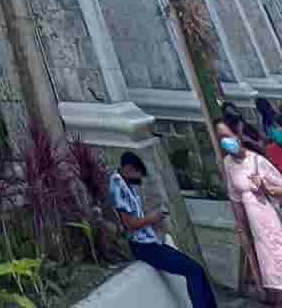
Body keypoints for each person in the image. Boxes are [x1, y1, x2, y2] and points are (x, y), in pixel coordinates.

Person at [109, 152, 218, 308]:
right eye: (137, 173)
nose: (138, 179)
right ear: (128, 168)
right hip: (143, 247)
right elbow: (129, 224)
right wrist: (151, 218)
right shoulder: (117, 186)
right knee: (193, 271)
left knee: (197, 269)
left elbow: (137, 216)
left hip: (150, 241)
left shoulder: (127, 184)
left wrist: (155, 222)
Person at [220, 127, 282, 295]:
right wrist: (240, 225)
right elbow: (234, 196)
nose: (225, 141)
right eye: (221, 138)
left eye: (227, 136)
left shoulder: (257, 160)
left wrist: (265, 187)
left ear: (238, 137)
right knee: (268, 264)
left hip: (269, 215)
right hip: (254, 223)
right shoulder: (228, 164)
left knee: (278, 252)